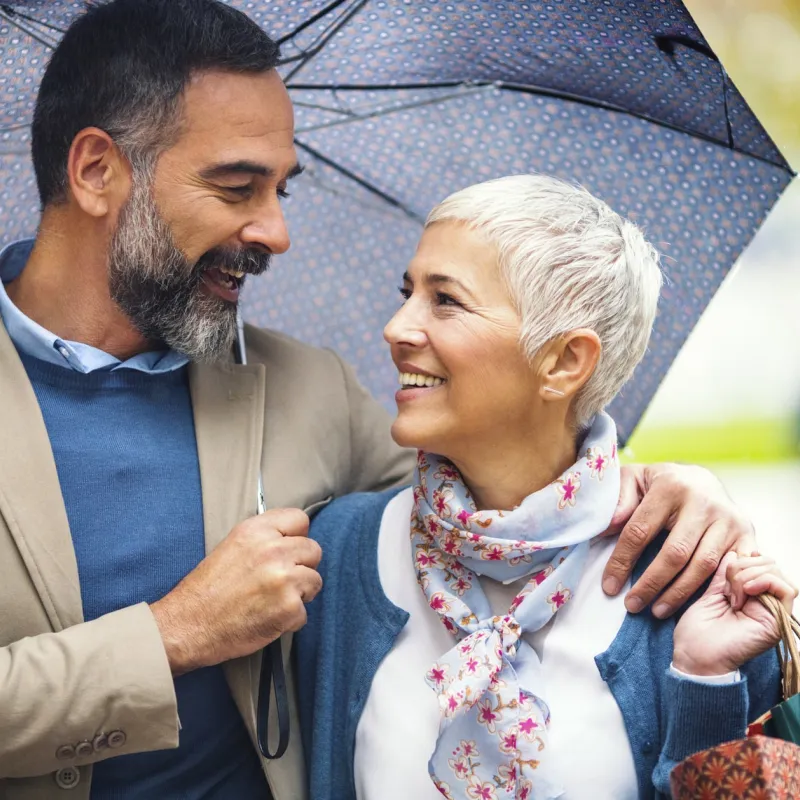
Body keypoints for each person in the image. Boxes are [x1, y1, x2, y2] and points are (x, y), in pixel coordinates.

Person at [0, 1, 768, 798]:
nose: (274, 233)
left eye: (280, 191)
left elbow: (506, 476)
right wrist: (172, 638)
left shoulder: (309, 389)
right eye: (237, 189)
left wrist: (670, 490)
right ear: (96, 171)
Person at [296, 175, 796, 800]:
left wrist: (703, 682)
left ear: (563, 362)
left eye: (445, 300)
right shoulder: (338, 552)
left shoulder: (691, 583)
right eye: (408, 293)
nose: (397, 327)